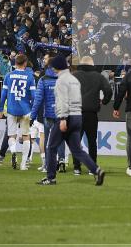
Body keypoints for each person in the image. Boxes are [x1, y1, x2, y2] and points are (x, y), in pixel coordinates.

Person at [37, 55, 106, 186]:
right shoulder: (74, 79)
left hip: (66, 117)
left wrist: (63, 119)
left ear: (56, 67)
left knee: (51, 147)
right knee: (77, 150)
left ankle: (50, 178)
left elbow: (63, 101)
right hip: (77, 116)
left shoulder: (61, 81)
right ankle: (97, 170)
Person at [0, 53, 35, 170]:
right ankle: (23, 165)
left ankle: (13, 153)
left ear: (15, 63)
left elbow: (3, 94)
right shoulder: (30, 76)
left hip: (11, 109)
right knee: (26, 136)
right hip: (26, 110)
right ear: (25, 63)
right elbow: (34, 96)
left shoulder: (8, 75)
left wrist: (1, 109)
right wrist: (33, 110)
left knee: (11, 135)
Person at [72, 56, 112, 173]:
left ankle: (76, 167)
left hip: (76, 113)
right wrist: (104, 101)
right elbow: (108, 91)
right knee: (92, 142)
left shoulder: (74, 76)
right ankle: (92, 168)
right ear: (92, 64)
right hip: (91, 113)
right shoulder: (98, 76)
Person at [31, 54, 65, 173]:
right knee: (60, 139)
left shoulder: (43, 79)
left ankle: (47, 164)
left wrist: (32, 116)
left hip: (48, 115)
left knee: (47, 140)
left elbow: (38, 99)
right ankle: (61, 161)